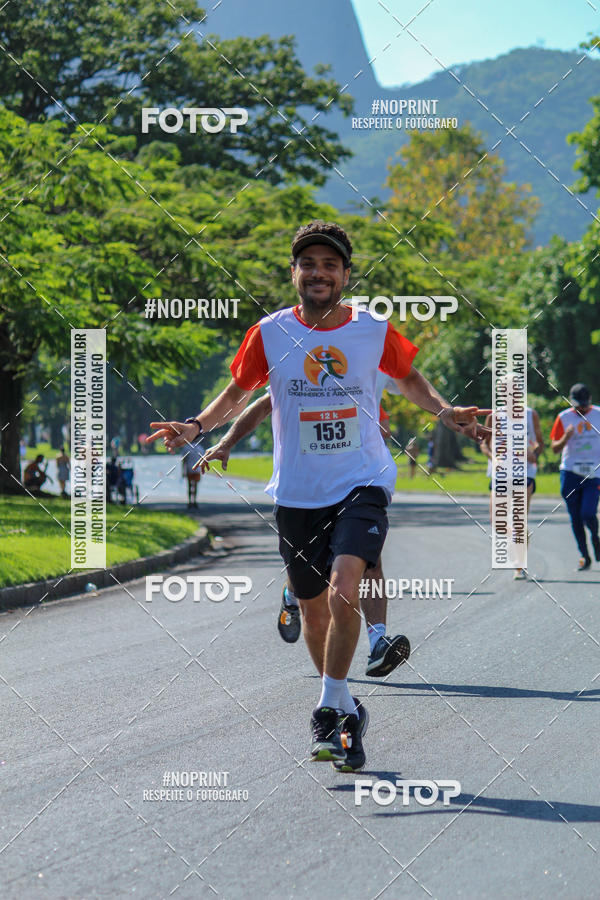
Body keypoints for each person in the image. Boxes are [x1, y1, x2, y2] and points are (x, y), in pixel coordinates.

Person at [147, 220, 489, 772]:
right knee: (313, 613)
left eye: (330, 264)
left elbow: (409, 379)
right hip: (298, 493)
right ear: (295, 273)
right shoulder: (271, 333)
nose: (319, 272)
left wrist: (445, 411)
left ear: (346, 275)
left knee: (345, 585)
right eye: (309, 263)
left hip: (363, 481)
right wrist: (198, 425)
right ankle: (349, 708)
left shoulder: (373, 330)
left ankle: (327, 707)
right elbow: (240, 391)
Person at [199, 391, 411, 677]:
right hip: (306, 493)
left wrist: (444, 412)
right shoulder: (297, 361)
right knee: (312, 577)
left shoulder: (366, 356)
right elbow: (262, 402)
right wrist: (225, 442)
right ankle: (292, 595)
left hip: (357, 487)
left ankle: (378, 643)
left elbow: (391, 408)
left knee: (367, 563)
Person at [482, 405, 543, 579]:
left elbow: (540, 442)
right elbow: (484, 445)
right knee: (497, 522)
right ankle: (516, 535)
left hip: (524, 473)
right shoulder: (494, 416)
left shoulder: (531, 414)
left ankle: (519, 565)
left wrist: (533, 454)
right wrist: (494, 458)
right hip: (500, 472)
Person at [550, 383, 600, 570]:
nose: (582, 409)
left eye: (585, 406)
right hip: (570, 472)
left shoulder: (598, 415)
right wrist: (566, 437)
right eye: (579, 406)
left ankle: (596, 538)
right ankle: (584, 555)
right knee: (576, 517)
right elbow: (555, 448)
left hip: (594, 473)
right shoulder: (563, 418)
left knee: (588, 513)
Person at [182, 439, 204, 508]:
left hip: (189, 469)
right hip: (197, 470)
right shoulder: (200, 448)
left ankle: (189, 501)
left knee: (189, 486)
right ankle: (194, 500)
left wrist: (183, 471)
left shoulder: (186, 448)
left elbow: (184, 461)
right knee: (195, 486)